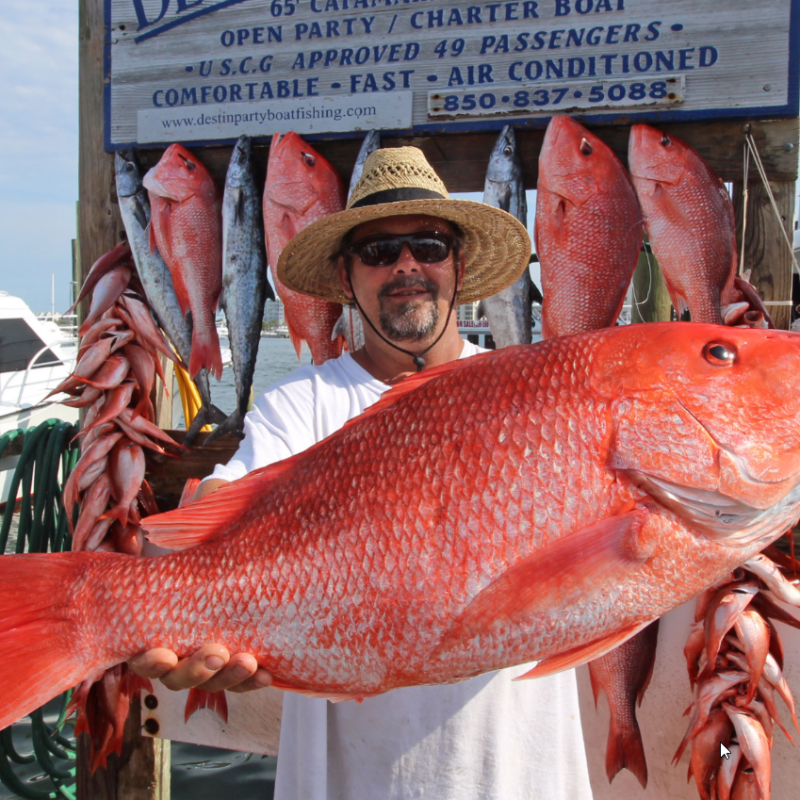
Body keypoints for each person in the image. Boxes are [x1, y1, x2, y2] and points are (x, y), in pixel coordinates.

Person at [130, 147, 594, 799]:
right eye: (378, 252)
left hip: (522, 776)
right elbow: (233, 497)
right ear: (347, 280)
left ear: (458, 266)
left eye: (428, 246)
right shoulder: (301, 406)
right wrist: (168, 571)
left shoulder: (534, 396)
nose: (406, 265)